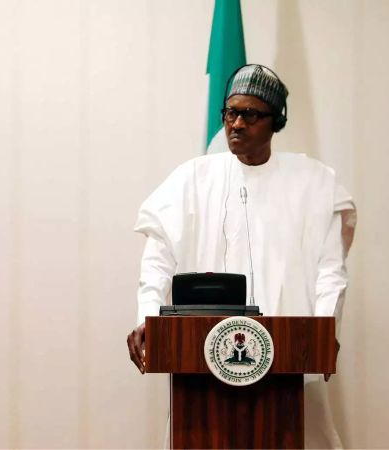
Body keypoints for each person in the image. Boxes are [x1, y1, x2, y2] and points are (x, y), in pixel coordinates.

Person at [126, 64, 356, 448]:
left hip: (289, 357)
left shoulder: (314, 183)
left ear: (275, 121)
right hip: (201, 356)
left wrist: (325, 327)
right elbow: (157, 258)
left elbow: (331, 271)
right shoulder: (193, 179)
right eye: (230, 113)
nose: (236, 123)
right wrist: (145, 314)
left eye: (250, 114)